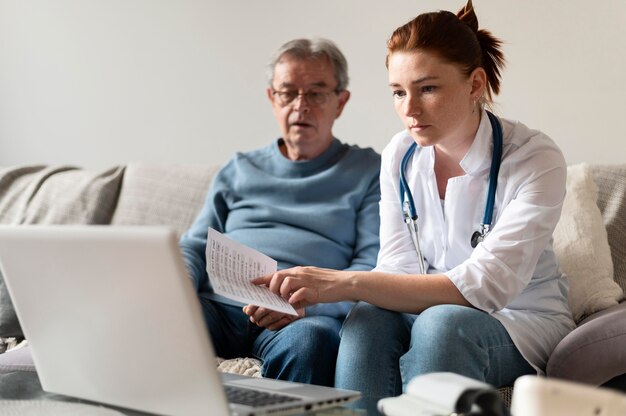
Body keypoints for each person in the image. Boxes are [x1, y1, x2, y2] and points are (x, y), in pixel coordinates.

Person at [253, 0, 575, 398]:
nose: (409, 110)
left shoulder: (533, 157)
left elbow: (487, 286)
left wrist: (341, 282)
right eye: (398, 92)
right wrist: (326, 294)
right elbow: (398, 267)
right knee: (368, 317)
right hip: (428, 313)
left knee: (440, 324)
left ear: (475, 84)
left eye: (428, 88)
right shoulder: (400, 155)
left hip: (520, 320)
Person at [179, 38, 381, 387]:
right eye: (288, 93)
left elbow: (371, 266)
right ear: (273, 98)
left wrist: (310, 302)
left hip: (301, 315)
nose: (301, 106)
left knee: (311, 342)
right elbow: (196, 244)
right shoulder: (240, 168)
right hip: (220, 306)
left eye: (316, 93)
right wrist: (175, 286)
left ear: (341, 102)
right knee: (156, 317)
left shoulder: (368, 170)